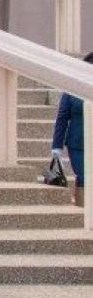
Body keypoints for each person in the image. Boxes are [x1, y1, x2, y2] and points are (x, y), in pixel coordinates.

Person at [52, 52, 91, 207]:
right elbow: (62, 118)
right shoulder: (72, 88)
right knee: (85, 176)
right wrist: (56, 146)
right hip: (78, 143)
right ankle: (84, 212)